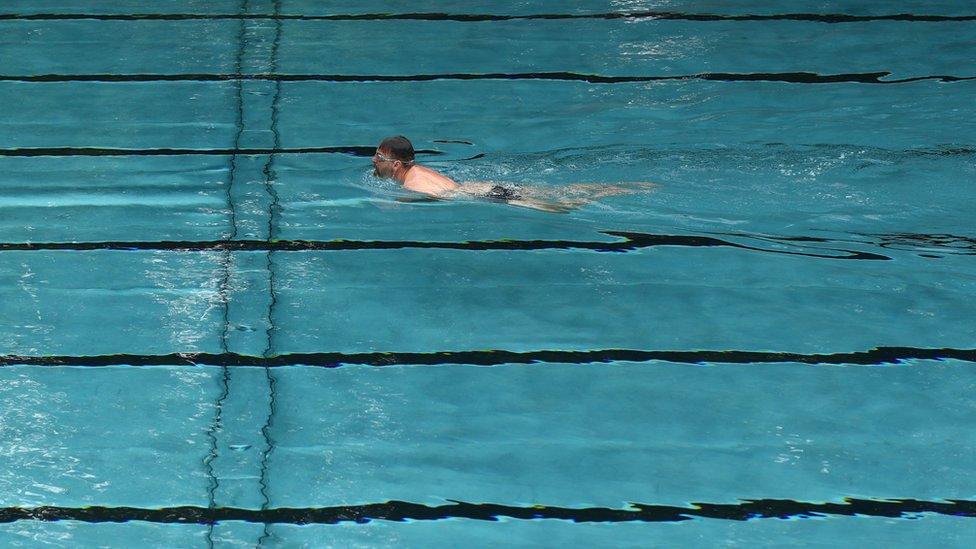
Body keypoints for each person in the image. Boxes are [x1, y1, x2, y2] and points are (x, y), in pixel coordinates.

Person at [371, 135, 654, 212]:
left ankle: (615, 190)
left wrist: (395, 204)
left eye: (379, 157)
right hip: (483, 187)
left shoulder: (414, 184)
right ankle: (618, 186)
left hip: (486, 196)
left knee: (561, 207)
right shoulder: (417, 170)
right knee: (558, 196)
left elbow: (438, 198)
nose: (374, 160)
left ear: (396, 165)